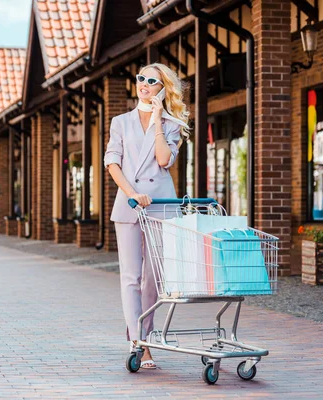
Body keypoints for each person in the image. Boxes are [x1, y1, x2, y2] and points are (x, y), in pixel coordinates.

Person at [104, 63, 190, 369]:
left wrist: (156, 119)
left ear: (162, 88)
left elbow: (164, 160)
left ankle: (147, 334)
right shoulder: (120, 122)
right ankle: (138, 341)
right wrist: (130, 193)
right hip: (129, 204)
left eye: (151, 80)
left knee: (153, 278)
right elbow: (112, 162)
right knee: (130, 276)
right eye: (140, 78)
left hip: (161, 206)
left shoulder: (171, 124)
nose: (143, 83)